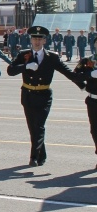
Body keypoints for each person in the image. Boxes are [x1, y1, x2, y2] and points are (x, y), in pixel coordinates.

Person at [7, 25, 83, 167]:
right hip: (28, 94)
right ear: (31, 40)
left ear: (44, 41)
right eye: (34, 38)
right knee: (32, 127)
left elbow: (68, 73)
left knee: (39, 126)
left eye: (39, 39)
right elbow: (10, 71)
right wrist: (25, 66)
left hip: (43, 95)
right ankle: (42, 154)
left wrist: (85, 82)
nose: (36, 41)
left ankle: (34, 157)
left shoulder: (51, 57)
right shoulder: (24, 55)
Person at [74, 35, 97, 169]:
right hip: (93, 100)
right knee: (95, 130)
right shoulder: (87, 61)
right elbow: (75, 74)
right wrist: (87, 78)